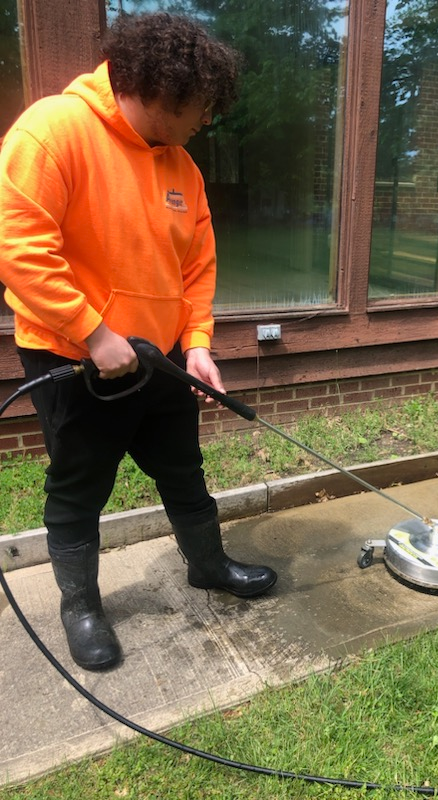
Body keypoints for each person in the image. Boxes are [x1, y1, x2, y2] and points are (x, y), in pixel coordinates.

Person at [0, 13, 277, 672]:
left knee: (183, 469)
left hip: (163, 359)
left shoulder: (182, 168)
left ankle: (208, 567)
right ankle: (82, 607)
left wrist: (200, 343)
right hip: (76, 361)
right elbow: (20, 249)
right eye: (201, 109)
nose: (203, 123)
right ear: (164, 92)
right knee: (80, 485)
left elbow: (196, 265)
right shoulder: (53, 131)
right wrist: (93, 333)